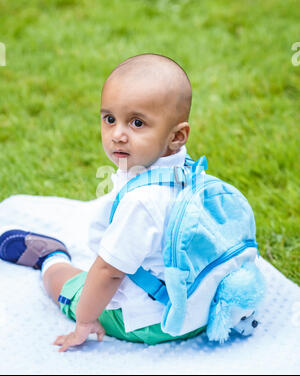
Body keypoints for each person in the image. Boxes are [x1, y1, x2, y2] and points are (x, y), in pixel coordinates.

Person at [0, 54, 205, 352]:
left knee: (67, 284)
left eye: (137, 123)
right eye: (110, 119)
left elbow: (109, 272)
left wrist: (84, 320)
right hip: (200, 308)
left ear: (176, 136)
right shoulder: (189, 170)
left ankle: (50, 257)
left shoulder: (142, 203)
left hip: (156, 322)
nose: (117, 135)